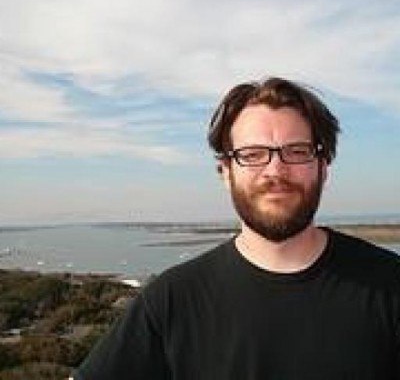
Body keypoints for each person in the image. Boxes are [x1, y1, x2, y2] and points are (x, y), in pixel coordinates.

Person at [73, 77, 400, 379]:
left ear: (323, 168)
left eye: (297, 152)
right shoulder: (171, 301)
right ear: (226, 172)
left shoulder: (391, 285)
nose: (275, 170)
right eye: (253, 154)